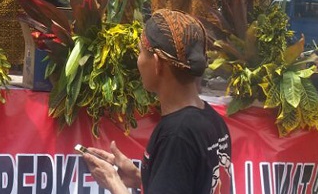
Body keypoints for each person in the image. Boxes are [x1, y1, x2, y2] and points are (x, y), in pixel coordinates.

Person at [82, 10, 233, 194]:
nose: (138, 61)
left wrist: (113, 182)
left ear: (156, 63)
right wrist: (140, 178)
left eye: (140, 53)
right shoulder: (213, 121)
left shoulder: (177, 136)